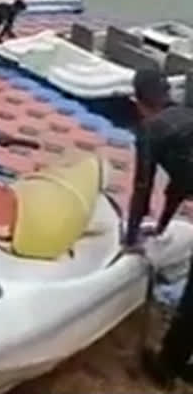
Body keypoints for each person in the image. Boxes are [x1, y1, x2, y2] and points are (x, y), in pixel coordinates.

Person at [124, 69, 193, 389]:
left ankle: (168, 366)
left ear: (138, 102)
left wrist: (130, 238)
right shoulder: (186, 116)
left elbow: (142, 188)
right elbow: (176, 187)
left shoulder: (150, 131)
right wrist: (161, 227)